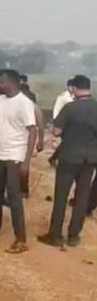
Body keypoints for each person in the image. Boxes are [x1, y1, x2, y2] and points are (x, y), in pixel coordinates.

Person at [38, 75, 97, 248]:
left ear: (74, 89)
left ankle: (55, 234)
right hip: (90, 159)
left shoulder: (70, 108)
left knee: (61, 195)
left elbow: (56, 132)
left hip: (69, 156)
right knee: (82, 196)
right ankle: (73, 236)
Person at [0, 70, 37, 254]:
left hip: (15, 155)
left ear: (10, 83)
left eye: (0, 82)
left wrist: (26, 161)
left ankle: (21, 239)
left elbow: (33, 131)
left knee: (14, 197)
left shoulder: (24, 103)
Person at [49, 80, 75, 167]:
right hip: (63, 122)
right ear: (68, 86)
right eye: (72, 86)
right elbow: (56, 110)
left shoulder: (74, 96)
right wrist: (57, 123)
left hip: (71, 123)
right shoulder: (63, 97)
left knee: (67, 142)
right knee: (67, 141)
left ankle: (54, 158)